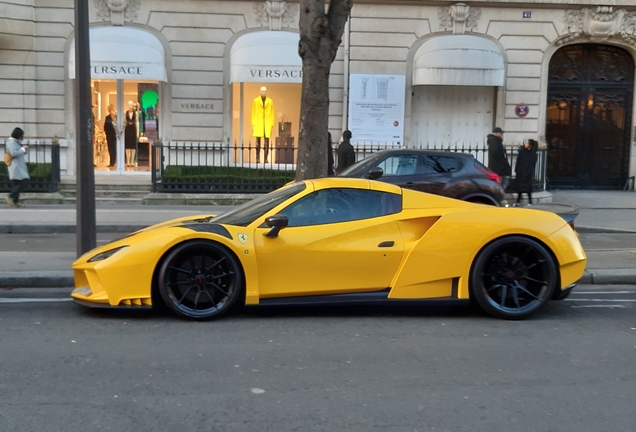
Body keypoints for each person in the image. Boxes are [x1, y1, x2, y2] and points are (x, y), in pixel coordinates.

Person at [4, 127, 29, 208]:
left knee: (17, 183)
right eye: (21, 135)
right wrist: (22, 149)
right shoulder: (11, 142)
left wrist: (23, 150)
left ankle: (16, 201)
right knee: (24, 181)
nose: (22, 137)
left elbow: (18, 152)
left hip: (18, 165)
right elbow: (14, 153)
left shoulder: (15, 142)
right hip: (15, 166)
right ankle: (11, 196)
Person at [251, 86, 274, 163]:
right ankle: (257, 158)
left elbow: (272, 113)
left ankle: (266, 158)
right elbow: (253, 112)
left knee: (266, 142)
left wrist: (272, 124)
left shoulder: (270, 101)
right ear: (260, 91)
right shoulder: (256, 101)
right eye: (262, 91)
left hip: (267, 122)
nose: (264, 92)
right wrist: (253, 124)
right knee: (257, 142)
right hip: (258, 122)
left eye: (265, 91)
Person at [512, 139, 539, 207]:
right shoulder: (522, 152)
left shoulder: (533, 154)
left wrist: (528, 173)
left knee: (528, 188)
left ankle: (530, 201)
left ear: (530, 145)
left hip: (527, 174)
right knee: (519, 188)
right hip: (520, 172)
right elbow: (518, 161)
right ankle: (517, 201)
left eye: (527, 143)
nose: (525, 144)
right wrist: (516, 170)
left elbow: (532, 165)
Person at [124, 101, 138, 167]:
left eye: (132, 105)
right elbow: (124, 121)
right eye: (129, 105)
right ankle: (128, 161)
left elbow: (137, 122)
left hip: (133, 130)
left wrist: (138, 132)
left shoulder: (136, 113)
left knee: (133, 146)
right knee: (127, 146)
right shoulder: (126, 113)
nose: (130, 106)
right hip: (127, 130)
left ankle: (132, 161)